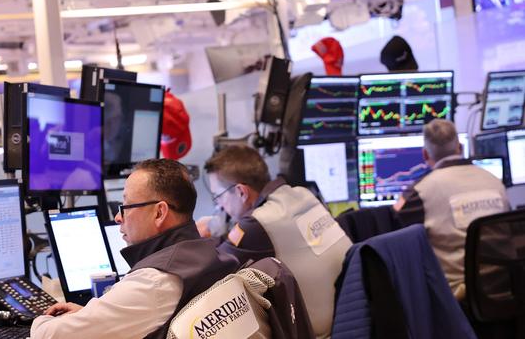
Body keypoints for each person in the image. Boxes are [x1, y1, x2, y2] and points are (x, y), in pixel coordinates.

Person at [31, 159, 239, 339]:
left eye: (126, 206)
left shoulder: (154, 281)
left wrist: (39, 320)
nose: (118, 217)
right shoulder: (208, 254)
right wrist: (89, 316)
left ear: (159, 213)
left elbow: (52, 335)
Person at [204, 145, 352, 339]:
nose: (220, 205)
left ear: (241, 192)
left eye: (218, 196)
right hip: (351, 318)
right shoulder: (302, 194)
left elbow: (211, 267)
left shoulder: (259, 223)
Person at [394, 119, 510, 300]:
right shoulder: (495, 181)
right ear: (460, 147)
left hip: (457, 298)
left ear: (425, 155)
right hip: (505, 288)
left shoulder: (421, 191)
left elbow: (394, 223)